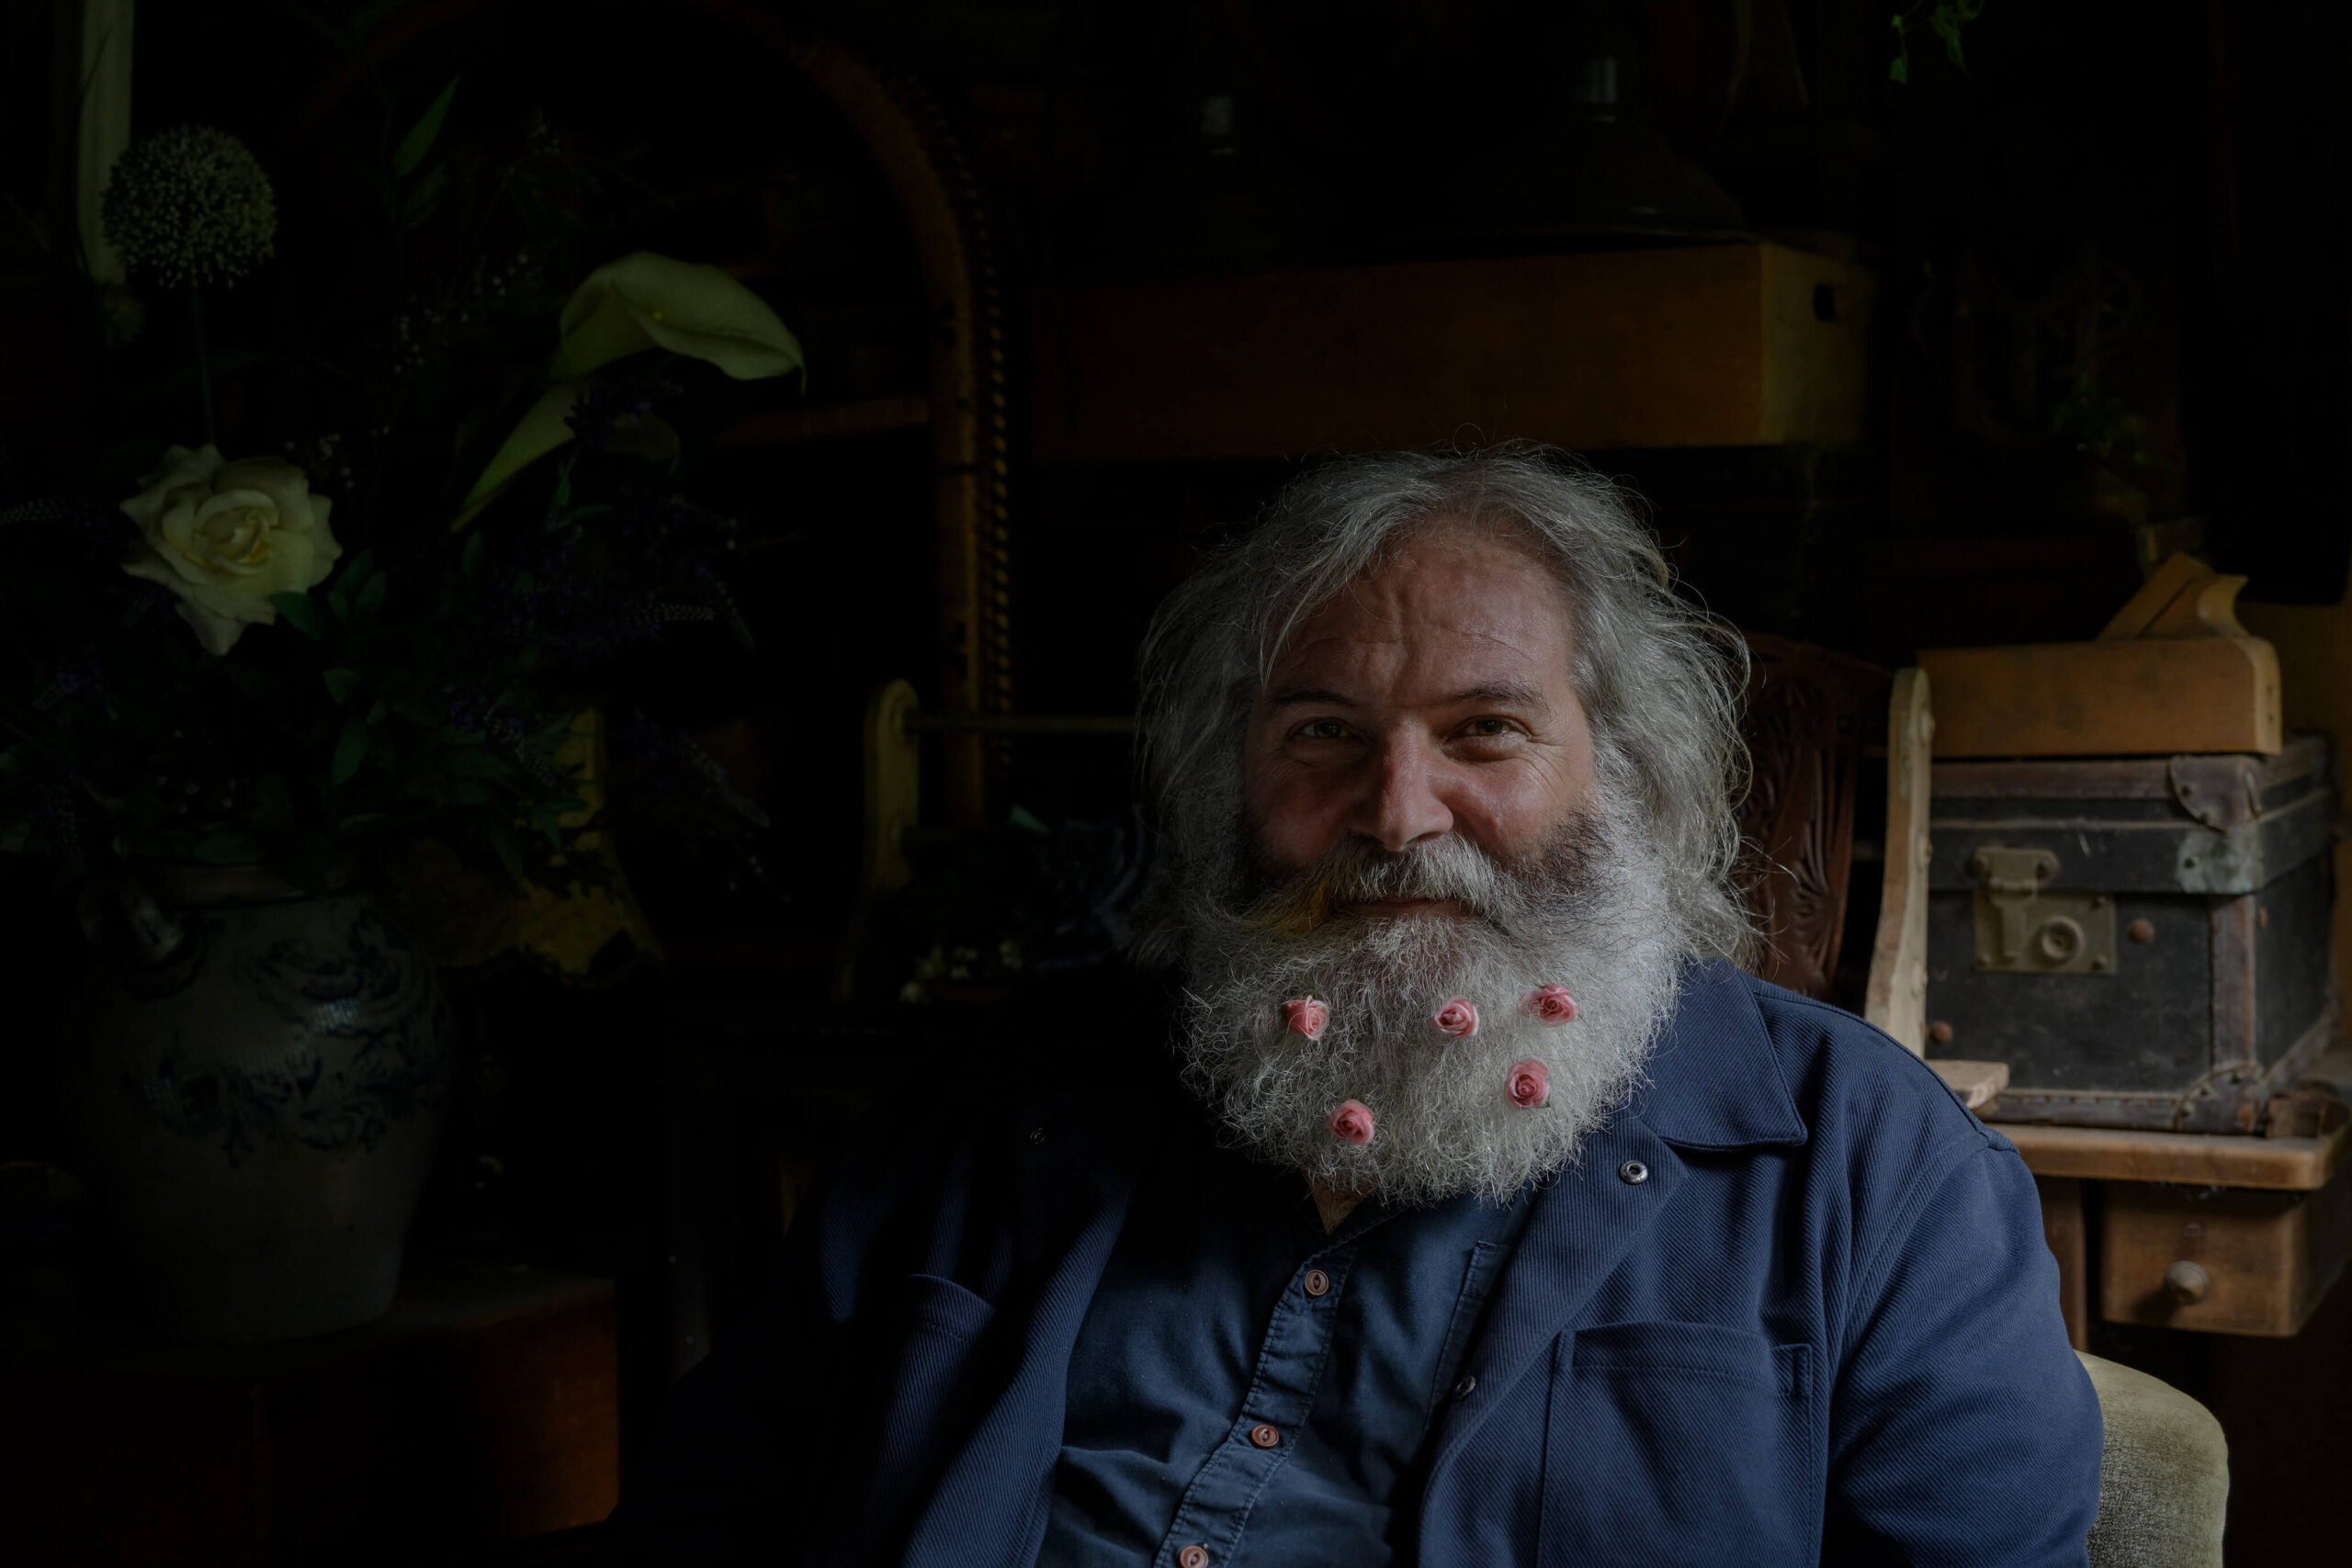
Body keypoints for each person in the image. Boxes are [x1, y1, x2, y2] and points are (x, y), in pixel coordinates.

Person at [616, 447, 2102, 1566]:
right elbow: (716, 1513)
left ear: (1629, 777)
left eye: (1486, 732)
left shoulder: (1870, 1169)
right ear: (1231, 784)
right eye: (1323, 732)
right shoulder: (1000, 1105)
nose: (1398, 812)